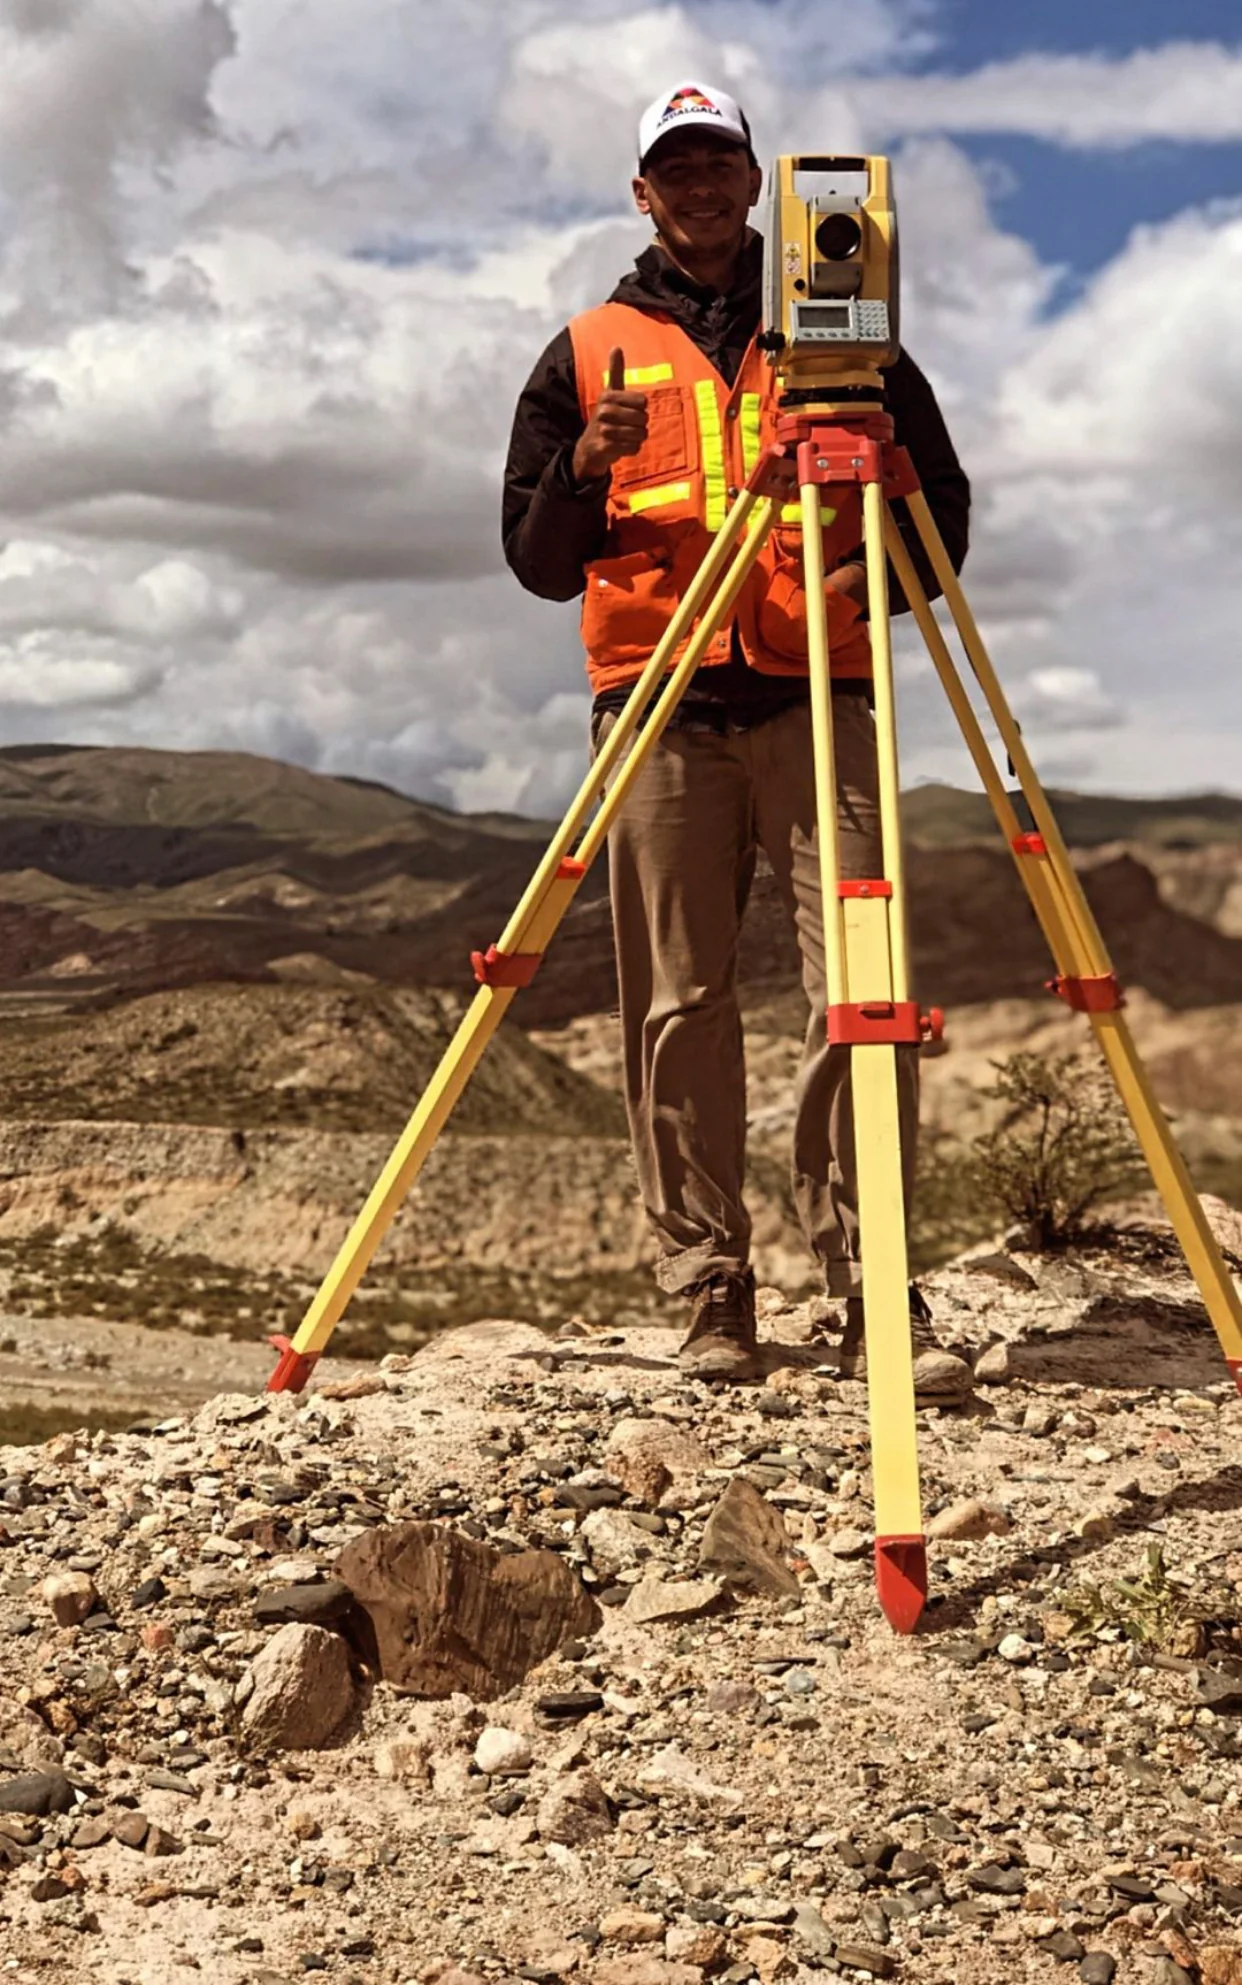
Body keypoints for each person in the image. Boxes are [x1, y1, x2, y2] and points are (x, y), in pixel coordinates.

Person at [503, 79, 972, 1392]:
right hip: (657, 715)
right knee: (677, 1007)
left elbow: (941, 530)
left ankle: (873, 1282)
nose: (703, 189)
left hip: (816, 704)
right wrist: (581, 470)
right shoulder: (585, 350)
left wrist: (856, 566)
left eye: (723, 167)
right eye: (678, 169)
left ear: (754, 182)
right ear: (641, 192)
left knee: (862, 1002)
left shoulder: (841, 331)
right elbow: (535, 562)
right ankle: (708, 1285)